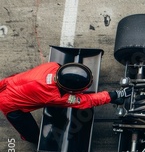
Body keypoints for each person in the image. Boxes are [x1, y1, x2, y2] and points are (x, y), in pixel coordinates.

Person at [0, 62, 131, 144]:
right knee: (31, 135)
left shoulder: (53, 66)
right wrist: (113, 95)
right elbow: (86, 101)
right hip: (10, 104)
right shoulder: (54, 96)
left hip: (9, 82)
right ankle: (31, 139)